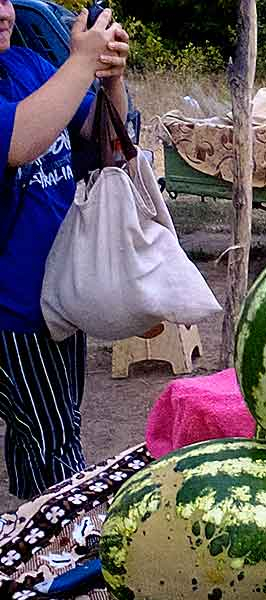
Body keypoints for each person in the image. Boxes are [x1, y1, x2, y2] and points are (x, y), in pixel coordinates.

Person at [0, 0, 130, 499]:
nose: (5, 12)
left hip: (56, 298)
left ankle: (29, 531)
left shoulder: (28, 65)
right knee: (58, 449)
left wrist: (110, 78)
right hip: (14, 313)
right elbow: (20, 141)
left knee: (43, 435)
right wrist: (80, 60)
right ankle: (64, 561)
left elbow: (104, 140)